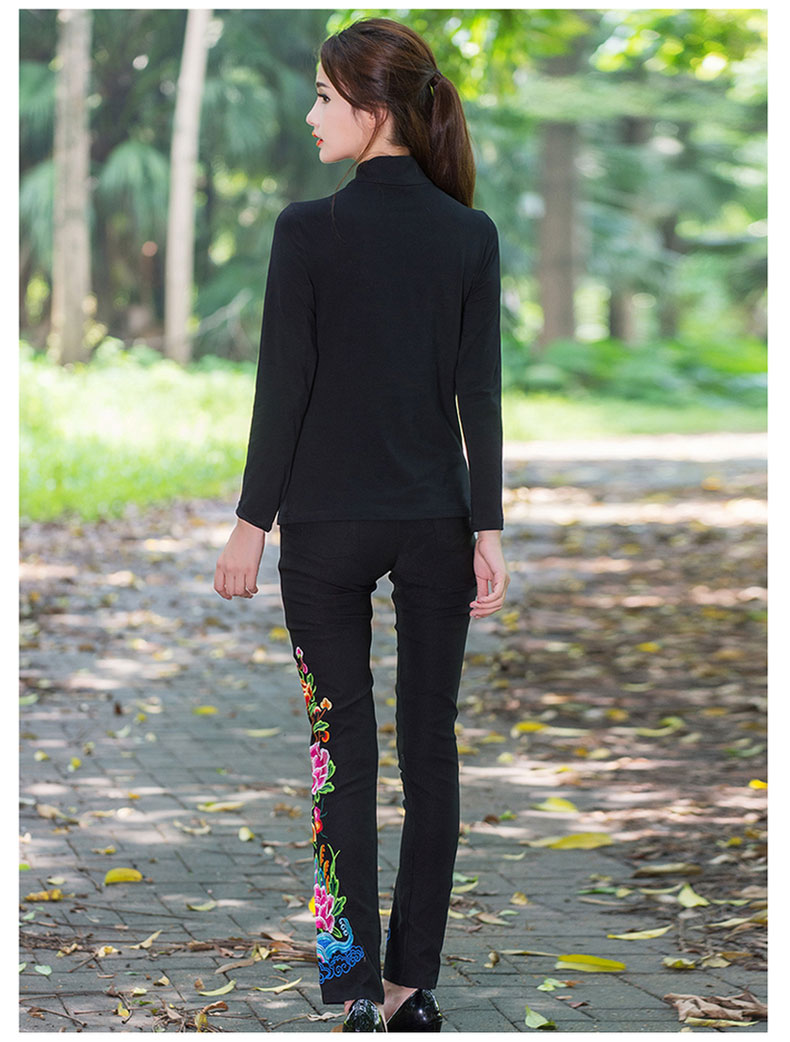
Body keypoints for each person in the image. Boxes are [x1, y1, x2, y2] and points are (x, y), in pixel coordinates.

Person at [214, 16, 510, 1033]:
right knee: (432, 752)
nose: (310, 115)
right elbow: (480, 395)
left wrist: (250, 523)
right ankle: (409, 986)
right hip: (435, 523)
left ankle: (350, 989)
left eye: (325, 98)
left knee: (339, 754)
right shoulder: (470, 234)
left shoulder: (306, 230)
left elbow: (282, 388)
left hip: (326, 531)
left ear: (374, 112)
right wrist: (487, 527)